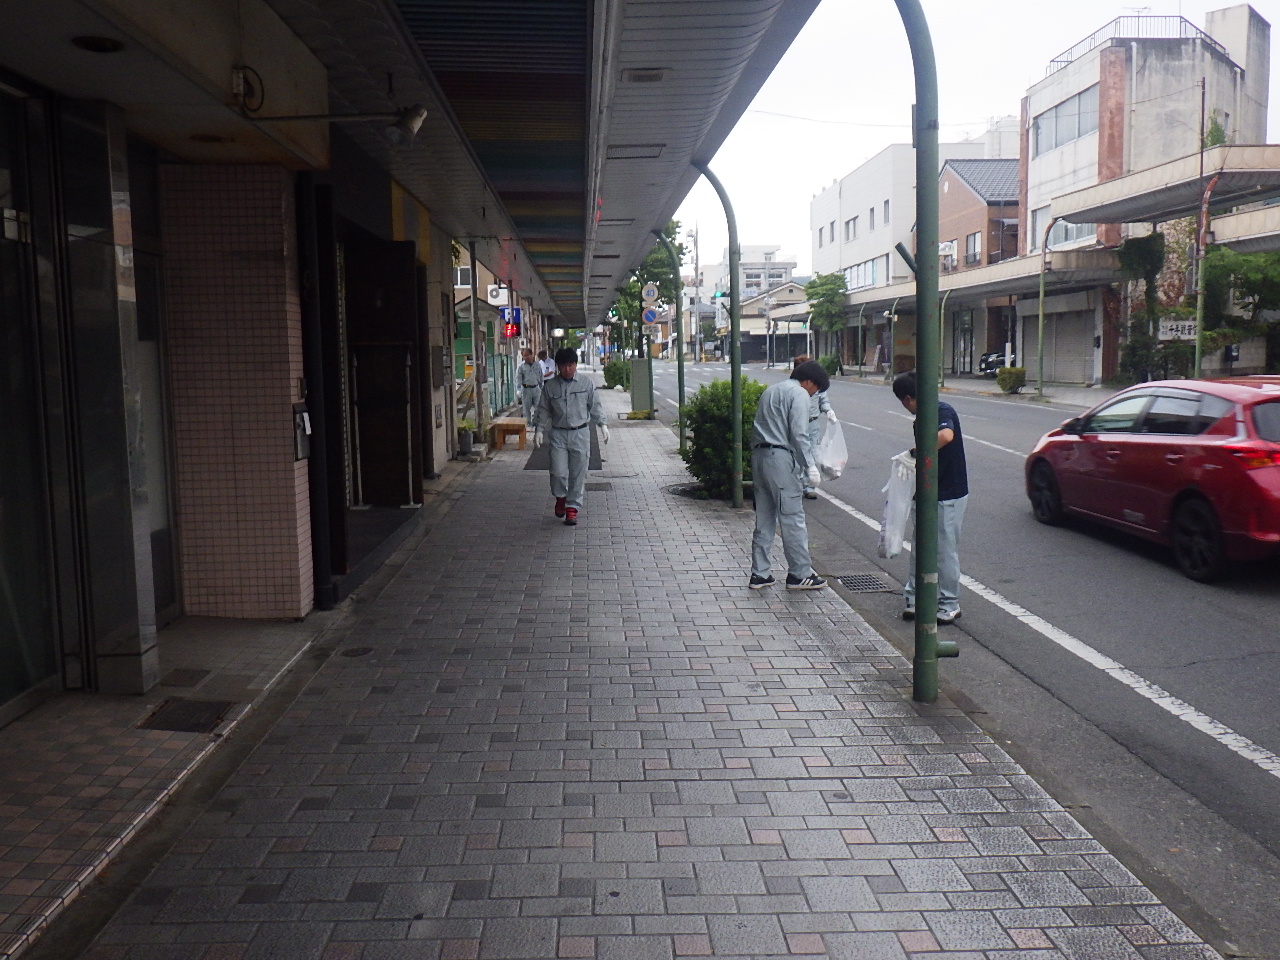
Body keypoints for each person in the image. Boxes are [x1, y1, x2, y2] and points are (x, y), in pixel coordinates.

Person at [892, 371, 968, 624]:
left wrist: (916, 451)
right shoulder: (920, 419)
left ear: (908, 399)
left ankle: (949, 603)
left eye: (903, 402)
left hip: (949, 490)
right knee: (921, 545)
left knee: (944, 549)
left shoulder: (941, 409)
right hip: (925, 490)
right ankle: (915, 599)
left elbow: (946, 436)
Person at [749, 359, 829, 591]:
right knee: (792, 517)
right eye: (817, 389)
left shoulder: (772, 390)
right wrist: (810, 466)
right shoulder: (800, 394)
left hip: (759, 457)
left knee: (764, 518)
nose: (815, 394)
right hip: (781, 459)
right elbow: (798, 433)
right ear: (810, 382)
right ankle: (799, 573)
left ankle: (760, 573)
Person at [532, 347, 609, 526]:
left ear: (575, 365)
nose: (567, 369)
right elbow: (543, 409)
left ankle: (572, 508)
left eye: (571, 365)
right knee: (558, 472)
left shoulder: (586, 384)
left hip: (580, 433)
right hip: (558, 433)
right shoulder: (550, 386)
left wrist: (602, 425)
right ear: (558, 366)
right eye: (563, 366)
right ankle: (560, 496)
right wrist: (538, 430)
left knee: (578, 473)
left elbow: (595, 406)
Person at [792, 355, 837, 499]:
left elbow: (823, 400)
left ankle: (809, 486)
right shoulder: (793, 387)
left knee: (813, 452)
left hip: (812, 423)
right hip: (798, 423)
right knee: (797, 453)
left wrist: (828, 411)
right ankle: (797, 484)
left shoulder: (818, 386)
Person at [517, 348, 542, 421]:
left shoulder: (537, 365)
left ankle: (536, 423)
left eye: (527, 355)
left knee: (538, 407)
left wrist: (541, 387)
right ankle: (527, 424)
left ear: (532, 355)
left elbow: (541, 376)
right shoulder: (521, 366)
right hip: (526, 389)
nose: (526, 358)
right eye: (524, 356)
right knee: (526, 409)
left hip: (536, 388)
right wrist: (518, 390)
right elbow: (518, 378)